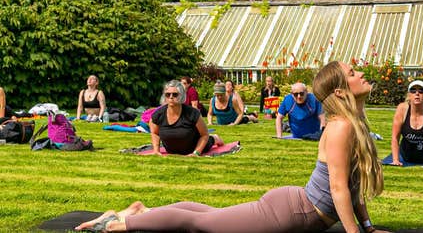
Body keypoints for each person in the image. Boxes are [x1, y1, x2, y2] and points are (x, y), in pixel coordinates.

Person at [75, 61, 390, 233]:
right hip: (292, 213)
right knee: (200, 223)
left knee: (208, 215)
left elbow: (352, 187)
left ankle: (142, 212)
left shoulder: (352, 123)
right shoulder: (342, 127)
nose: (361, 72)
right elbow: (338, 189)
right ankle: (121, 224)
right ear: (340, 89)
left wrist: (368, 227)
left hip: (295, 208)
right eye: (353, 73)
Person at [151, 80, 224, 156]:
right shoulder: (159, 114)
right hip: (172, 149)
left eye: (175, 94)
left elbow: (204, 135)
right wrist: (156, 150)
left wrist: (196, 153)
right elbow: (155, 133)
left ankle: (215, 138)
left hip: (193, 147)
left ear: (181, 95)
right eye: (168, 94)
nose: (171, 97)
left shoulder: (193, 113)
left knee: (209, 140)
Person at [390, 80, 423, 165]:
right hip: (407, 157)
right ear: (409, 95)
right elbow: (395, 138)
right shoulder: (402, 109)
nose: (417, 93)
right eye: (413, 91)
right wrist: (395, 160)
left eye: (421, 91)